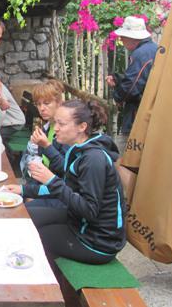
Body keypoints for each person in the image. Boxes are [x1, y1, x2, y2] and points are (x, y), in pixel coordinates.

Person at [14, 100, 126, 264]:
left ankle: (45, 278)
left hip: (97, 241)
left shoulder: (93, 159)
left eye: (62, 124)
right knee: (24, 217)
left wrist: (51, 180)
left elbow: (89, 210)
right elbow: (67, 186)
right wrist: (23, 190)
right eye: (56, 123)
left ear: (82, 127)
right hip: (78, 221)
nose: (56, 128)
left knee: (30, 234)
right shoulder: (79, 150)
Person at [4, 79, 67, 209]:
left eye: (47, 103)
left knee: (20, 210)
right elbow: (36, 165)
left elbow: (65, 169)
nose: (41, 108)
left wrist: (47, 146)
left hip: (60, 196)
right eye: (38, 104)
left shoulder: (66, 133)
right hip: (43, 188)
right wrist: (27, 191)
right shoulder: (46, 129)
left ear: (59, 103)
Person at [106, 16, 157, 144]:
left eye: (123, 37)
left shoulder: (141, 54)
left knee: (129, 153)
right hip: (150, 114)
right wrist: (118, 80)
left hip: (139, 117)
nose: (121, 39)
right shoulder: (152, 49)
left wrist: (118, 96)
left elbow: (131, 87)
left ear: (132, 37)